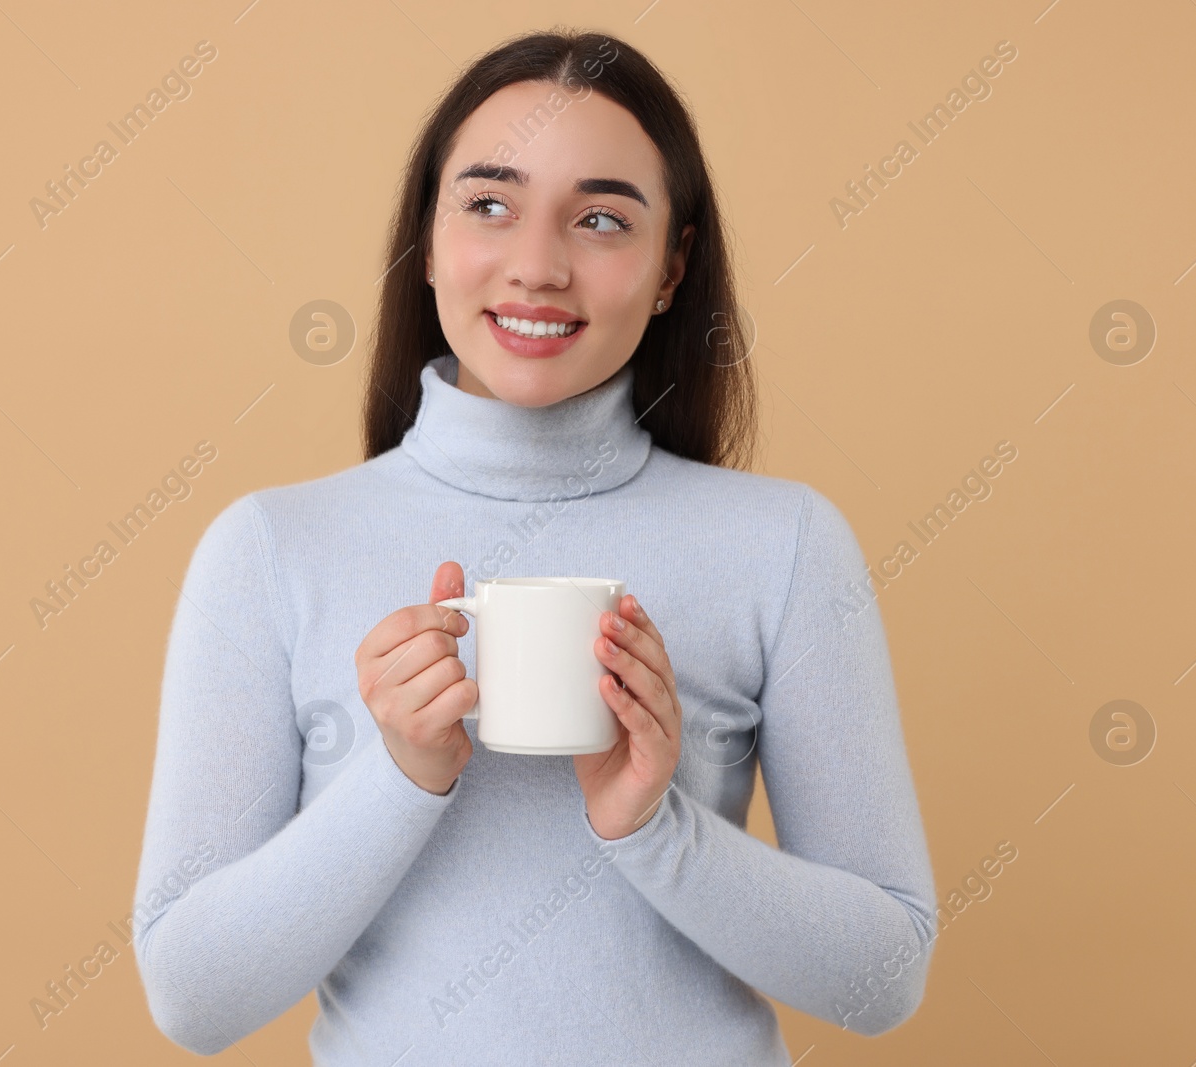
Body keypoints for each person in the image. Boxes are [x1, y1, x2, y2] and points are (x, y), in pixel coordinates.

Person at [132, 27, 935, 1064]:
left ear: (669, 267)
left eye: (601, 219)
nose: (537, 266)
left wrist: (654, 822)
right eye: (488, 205)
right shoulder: (270, 549)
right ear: (428, 241)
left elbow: (886, 978)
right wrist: (404, 775)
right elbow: (193, 999)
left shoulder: (782, 544)